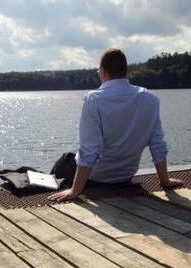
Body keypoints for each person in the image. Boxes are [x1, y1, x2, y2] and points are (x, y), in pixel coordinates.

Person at [48, 48, 183, 202]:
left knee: (65, 160)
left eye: (99, 71)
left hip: (96, 176)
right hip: (125, 176)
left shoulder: (94, 99)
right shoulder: (149, 99)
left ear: (104, 71)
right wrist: (165, 181)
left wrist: (74, 191)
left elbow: (89, 150)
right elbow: (157, 144)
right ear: (125, 71)